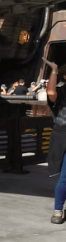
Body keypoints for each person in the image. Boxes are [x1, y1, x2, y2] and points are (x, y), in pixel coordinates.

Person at [43, 58, 66, 224]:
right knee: (65, 177)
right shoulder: (62, 92)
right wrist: (54, 71)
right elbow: (50, 93)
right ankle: (58, 211)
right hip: (63, 136)